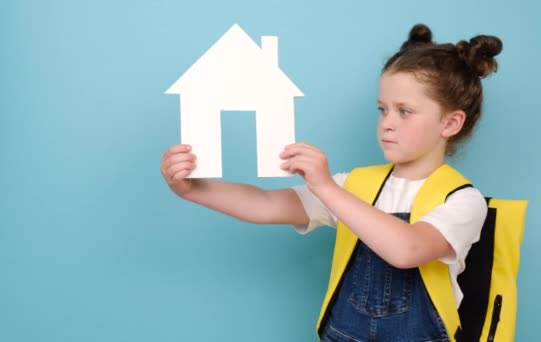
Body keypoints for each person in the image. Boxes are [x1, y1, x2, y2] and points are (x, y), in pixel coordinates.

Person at [160, 23, 502, 342]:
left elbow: (407, 249)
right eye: (382, 109)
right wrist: (193, 189)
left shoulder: (463, 201)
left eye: (404, 111)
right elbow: (265, 205)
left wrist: (326, 188)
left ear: (451, 123)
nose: (387, 123)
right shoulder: (354, 184)